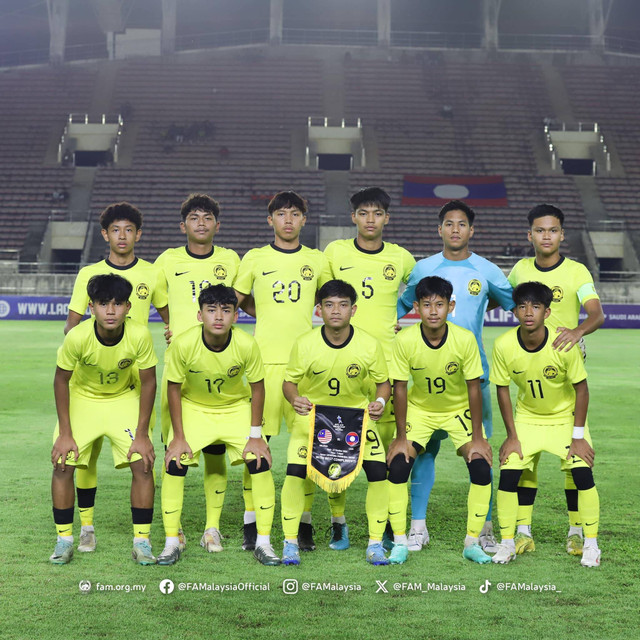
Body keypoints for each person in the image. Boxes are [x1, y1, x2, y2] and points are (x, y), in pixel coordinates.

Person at [397, 200, 514, 552]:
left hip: (472, 380)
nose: (455, 230)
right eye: (448, 224)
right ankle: (418, 528)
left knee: (481, 451)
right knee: (421, 454)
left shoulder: (488, 270)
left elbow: (514, 305)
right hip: (425, 381)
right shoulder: (423, 268)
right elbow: (401, 307)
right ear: (440, 229)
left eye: (461, 224)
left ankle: (485, 528)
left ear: (471, 230)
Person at [63, 202, 168, 554]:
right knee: (83, 456)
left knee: (143, 456)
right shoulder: (88, 273)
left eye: (129, 230)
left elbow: (170, 317)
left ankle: (149, 533)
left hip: (134, 373)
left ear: (138, 234)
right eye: (115, 230)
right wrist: (86, 353)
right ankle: (86, 526)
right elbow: (73, 322)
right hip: (93, 374)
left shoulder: (153, 274)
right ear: (105, 234)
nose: (122, 236)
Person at [234, 190, 331, 552]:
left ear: (304, 220)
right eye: (281, 214)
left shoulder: (317, 260)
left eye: (295, 214)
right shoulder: (256, 257)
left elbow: (332, 301)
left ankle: (303, 523)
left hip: (307, 367)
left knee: (305, 447)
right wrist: (266, 317)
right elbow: (237, 299)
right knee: (257, 443)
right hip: (264, 364)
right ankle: (250, 523)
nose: (288, 220)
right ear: (270, 220)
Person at [157, 285, 279, 566]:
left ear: (236, 315)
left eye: (226, 310)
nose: (219, 317)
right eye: (211, 310)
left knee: (259, 461)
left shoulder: (247, 344)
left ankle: (263, 543)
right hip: (194, 408)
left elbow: (258, 389)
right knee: (175, 463)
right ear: (200, 315)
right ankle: (171, 542)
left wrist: (256, 435)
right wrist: (178, 436)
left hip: (234, 408)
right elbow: (173, 389)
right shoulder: (183, 343)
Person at [507, 204, 604, 556]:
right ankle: (522, 530)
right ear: (529, 235)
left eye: (552, 231)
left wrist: (577, 331)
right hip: (529, 369)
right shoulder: (518, 269)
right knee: (524, 457)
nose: (546, 236)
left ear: (561, 235)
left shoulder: (576, 271)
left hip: (566, 371)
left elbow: (596, 313)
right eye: (539, 230)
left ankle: (576, 530)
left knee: (572, 455)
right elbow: (503, 301)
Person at [323, 187, 415, 550]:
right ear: (353, 217)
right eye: (364, 213)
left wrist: (399, 313)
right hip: (342, 361)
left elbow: (417, 292)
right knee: (337, 450)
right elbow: (325, 295)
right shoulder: (336, 252)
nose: (371, 219)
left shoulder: (402, 257)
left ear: (387, 218)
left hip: (388, 364)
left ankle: (393, 525)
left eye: (377, 213)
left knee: (392, 448)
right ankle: (339, 523)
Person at [281, 279, 391, 566]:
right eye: (329, 305)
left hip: (358, 419)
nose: (336, 311)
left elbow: (384, 384)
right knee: (294, 473)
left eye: (343, 305)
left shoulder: (369, 344)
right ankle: (290, 543)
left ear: (353, 310)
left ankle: (376, 544)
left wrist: (379, 403)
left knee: (379, 473)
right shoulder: (304, 344)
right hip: (314, 420)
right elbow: (289, 383)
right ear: (319, 310)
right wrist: (295, 399)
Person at [490, 281, 601, 567]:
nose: (529, 312)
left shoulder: (564, 343)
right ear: (514, 311)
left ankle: (590, 543)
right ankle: (509, 541)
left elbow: (582, 390)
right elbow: (502, 389)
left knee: (582, 473)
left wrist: (578, 437)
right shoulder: (503, 345)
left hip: (565, 419)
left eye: (536, 307)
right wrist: (511, 436)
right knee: (510, 472)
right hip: (527, 419)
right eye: (523, 306)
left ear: (547, 312)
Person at [50, 274, 157, 565]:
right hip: (83, 399)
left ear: (128, 307)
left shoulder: (140, 335)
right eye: (103, 304)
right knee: (62, 462)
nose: (111, 311)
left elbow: (149, 383)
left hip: (122, 398)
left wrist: (143, 434)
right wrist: (65, 433)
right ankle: (64, 540)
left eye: (118, 304)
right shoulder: (77, 337)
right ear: (91, 307)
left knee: (144, 463)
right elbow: (61, 382)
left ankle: (142, 542)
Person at [154, 193, 241, 555]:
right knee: (175, 450)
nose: (201, 223)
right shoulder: (168, 260)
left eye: (208, 218)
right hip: (181, 363)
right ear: (183, 226)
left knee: (216, 450)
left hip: (219, 364)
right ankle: (174, 533)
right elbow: (159, 300)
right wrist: (175, 325)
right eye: (194, 218)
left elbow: (235, 300)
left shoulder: (230, 259)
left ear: (217, 226)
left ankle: (212, 528)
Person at [387, 276, 493, 565]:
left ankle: (472, 542)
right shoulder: (405, 340)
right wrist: (399, 438)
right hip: (419, 410)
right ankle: (401, 540)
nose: (433, 310)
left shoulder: (464, 339)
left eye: (440, 304)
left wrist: (478, 438)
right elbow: (399, 388)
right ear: (416, 308)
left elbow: (474, 388)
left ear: (451, 306)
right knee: (398, 466)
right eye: (426, 305)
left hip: (458, 410)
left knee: (481, 467)